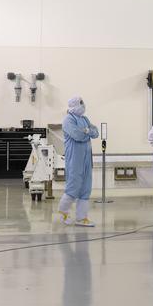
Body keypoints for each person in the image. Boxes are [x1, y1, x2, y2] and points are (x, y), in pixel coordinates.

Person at [56, 96, 98, 227]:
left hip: (86, 158)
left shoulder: (84, 119)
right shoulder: (68, 120)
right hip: (75, 157)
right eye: (80, 104)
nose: (83, 106)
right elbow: (78, 136)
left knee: (86, 187)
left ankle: (81, 218)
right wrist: (87, 132)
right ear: (73, 106)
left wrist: (88, 131)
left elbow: (96, 132)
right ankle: (63, 211)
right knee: (73, 186)